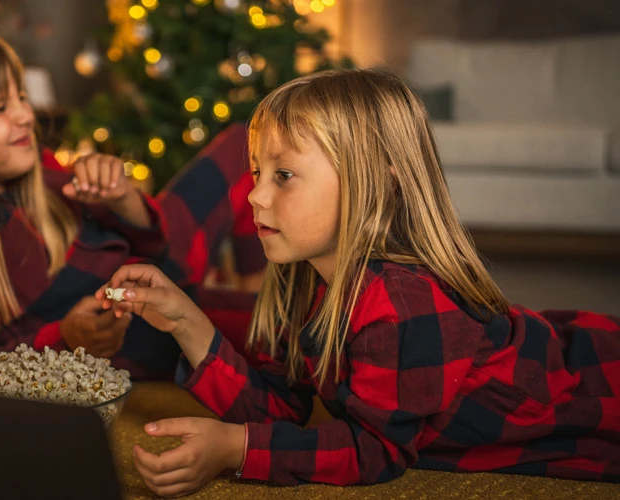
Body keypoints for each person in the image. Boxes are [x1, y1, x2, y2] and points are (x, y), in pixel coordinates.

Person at [97, 68, 620, 497]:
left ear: (375, 179)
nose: (254, 196)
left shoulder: (401, 301)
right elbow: (281, 408)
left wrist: (237, 449)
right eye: (257, 172)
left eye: (283, 175)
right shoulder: (306, 279)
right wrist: (186, 321)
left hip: (595, 386)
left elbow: (376, 452)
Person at [0, 28, 264, 383]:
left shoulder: (38, 172)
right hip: (151, 326)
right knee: (290, 332)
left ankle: (259, 287)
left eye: (23, 98)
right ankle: (259, 298)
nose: (27, 116)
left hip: (162, 268)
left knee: (251, 143)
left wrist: (122, 198)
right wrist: (63, 338)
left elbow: (149, 244)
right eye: (0, 108)